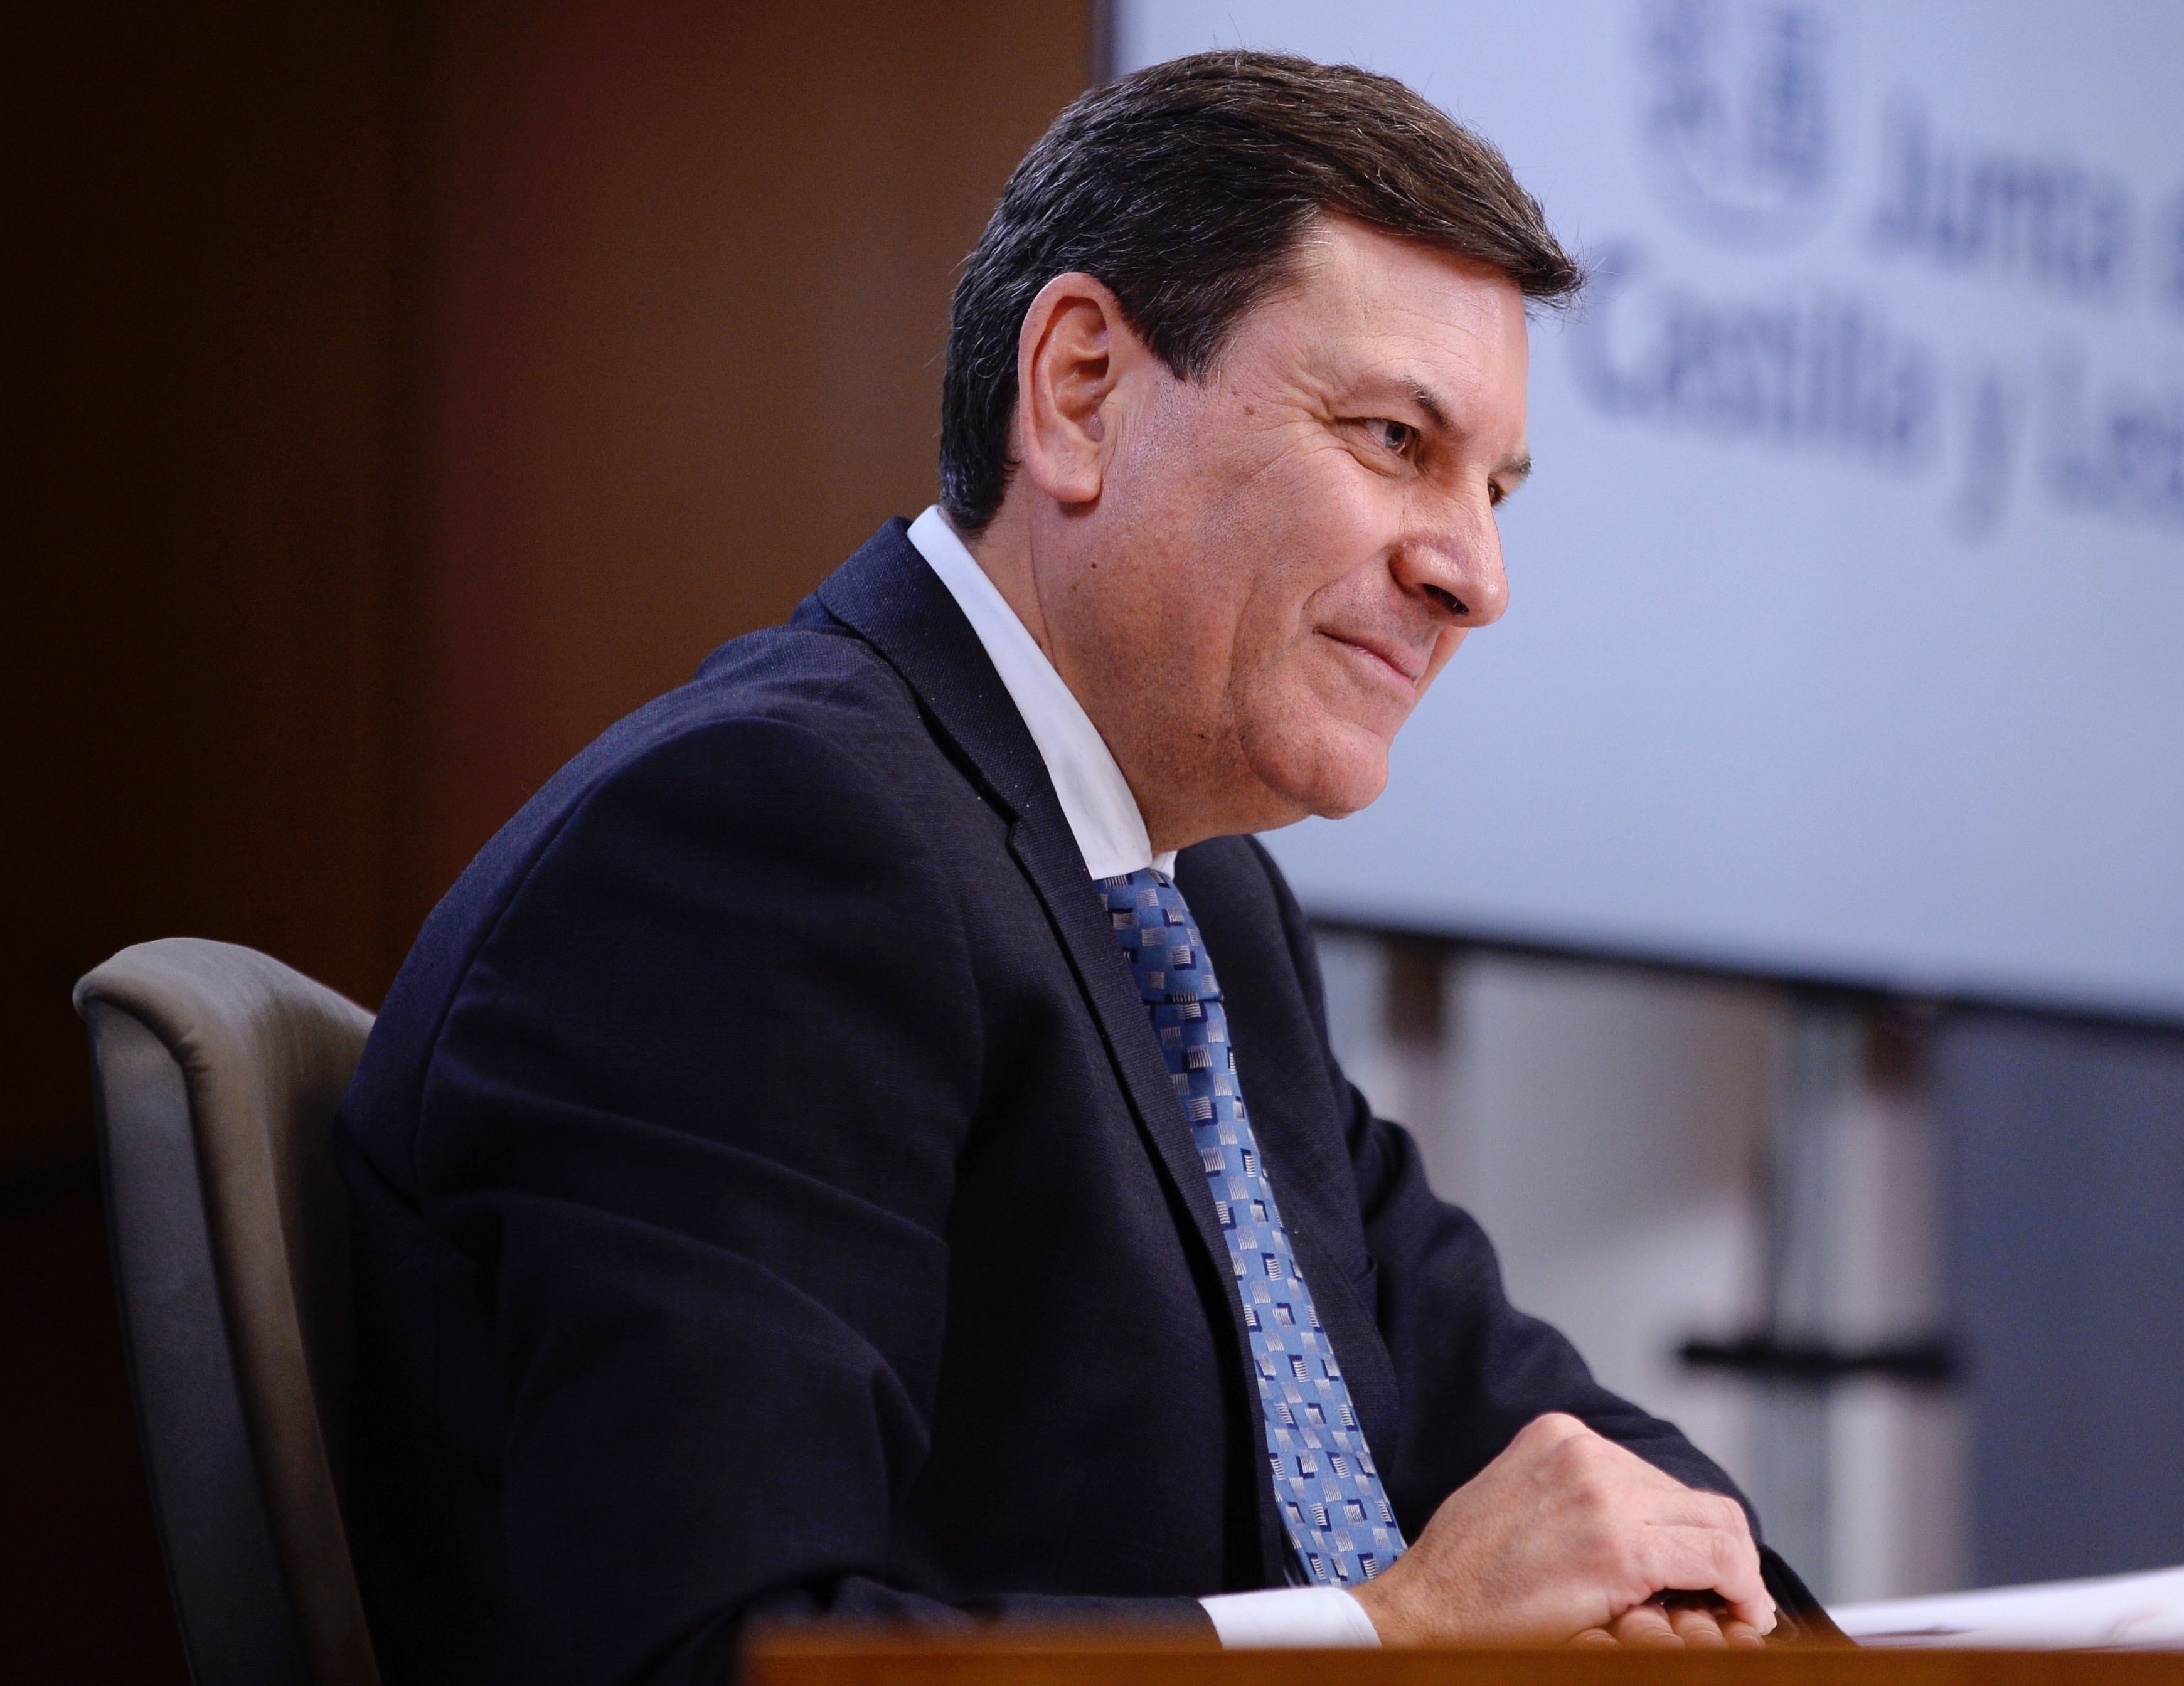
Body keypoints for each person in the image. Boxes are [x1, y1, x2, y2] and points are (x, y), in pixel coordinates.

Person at [336, 50, 1838, 1686]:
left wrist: (1754, 1617)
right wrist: (1381, 1638)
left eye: (1495, 489)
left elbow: (1519, 1412)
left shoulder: (1196, 902)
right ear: (1077, 390)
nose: (1475, 574)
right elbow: (713, 1650)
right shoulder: (764, 842)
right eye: (1396, 439)